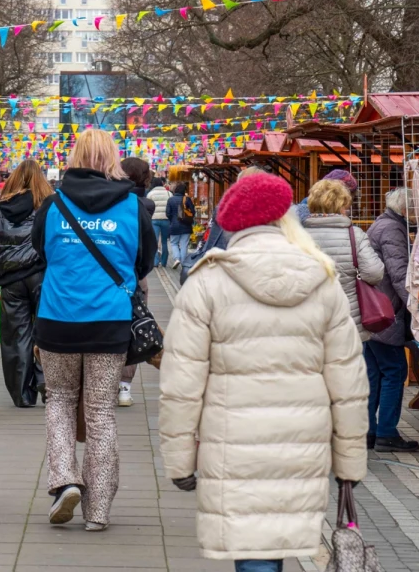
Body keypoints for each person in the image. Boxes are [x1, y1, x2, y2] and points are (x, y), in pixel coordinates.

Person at [158, 172, 369, 570]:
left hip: (232, 443)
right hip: (303, 442)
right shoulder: (321, 280)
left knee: (253, 550)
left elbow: (181, 384)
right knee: (273, 546)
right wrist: (350, 461)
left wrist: (181, 460)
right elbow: (348, 382)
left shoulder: (208, 281)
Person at [31, 129, 156, 531]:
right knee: (101, 412)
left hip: (57, 318)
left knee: (60, 402)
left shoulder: (52, 205)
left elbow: (40, 253)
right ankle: (98, 510)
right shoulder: (135, 208)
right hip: (109, 321)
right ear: (112, 159)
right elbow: (144, 263)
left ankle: (65, 479)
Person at [0, 159, 52, 407]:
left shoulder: (0, 209)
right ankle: (47, 379)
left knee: (15, 336)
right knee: (47, 331)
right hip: (43, 276)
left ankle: (22, 394)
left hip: (11, 281)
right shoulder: (49, 207)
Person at [364, 188, 419, 452]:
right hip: (386, 313)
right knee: (395, 370)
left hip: (373, 313)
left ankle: (368, 431)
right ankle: (386, 432)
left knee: (374, 373)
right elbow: (399, 274)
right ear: (405, 209)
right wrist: (416, 304)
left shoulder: (380, 224)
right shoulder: (393, 230)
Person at [302, 179, 385, 342]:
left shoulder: (298, 236)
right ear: (341, 206)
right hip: (347, 321)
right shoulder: (355, 234)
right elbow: (374, 273)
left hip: (308, 322)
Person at [116, 157, 155, 407]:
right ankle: (124, 388)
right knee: (135, 330)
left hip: (112, 273)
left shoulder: (115, 202)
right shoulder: (146, 204)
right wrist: (140, 272)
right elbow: (148, 248)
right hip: (135, 276)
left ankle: (104, 382)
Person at [165, 181, 195, 269]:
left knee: (174, 243)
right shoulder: (187, 199)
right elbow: (193, 212)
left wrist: (172, 220)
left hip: (174, 226)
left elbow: (168, 213)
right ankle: (183, 263)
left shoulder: (170, 199)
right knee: (184, 244)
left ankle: (177, 258)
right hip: (186, 226)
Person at [146, 177, 171, 267]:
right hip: (166, 219)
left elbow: (148, 206)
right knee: (165, 241)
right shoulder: (169, 193)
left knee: (155, 241)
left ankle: (155, 262)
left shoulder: (150, 194)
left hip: (154, 219)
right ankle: (164, 262)